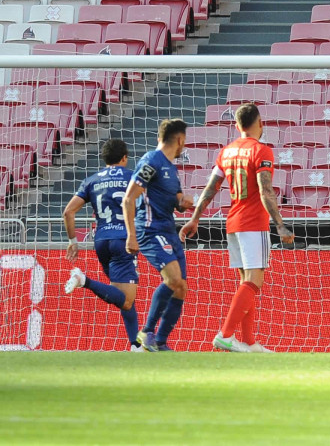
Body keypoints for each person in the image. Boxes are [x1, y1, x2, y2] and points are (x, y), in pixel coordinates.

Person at [180, 103, 294, 353]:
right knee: (254, 280)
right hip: (253, 222)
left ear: (236, 125)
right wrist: (280, 225)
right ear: (260, 122)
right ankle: (225, 334)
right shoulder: (262, 151)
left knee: (246, 280)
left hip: (233, 222)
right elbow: (265, 190)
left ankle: (249, 341)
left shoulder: (227, 152)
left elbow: (210, 188)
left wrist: (195, 218)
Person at [62, 139, 143, 351]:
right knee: (125, 299)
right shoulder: (133, 177)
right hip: (124, 240)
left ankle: (135, 344)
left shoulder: (92, 180)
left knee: (123, 295)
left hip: (101, 241)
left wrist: (73, 242)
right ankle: (83, 280)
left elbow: (68, 212)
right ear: (124, 158)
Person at [122, 119, 194, 352]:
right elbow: (128, 198)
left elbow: (177, 202)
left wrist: (184, 204)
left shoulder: (171, 168)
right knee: (173, 279)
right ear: (180, 140)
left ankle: (161, 341)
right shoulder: (151, 161)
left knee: (180, 286)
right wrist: (131, 235)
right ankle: (146, 333)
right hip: (150, 229)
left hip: (168, 229)